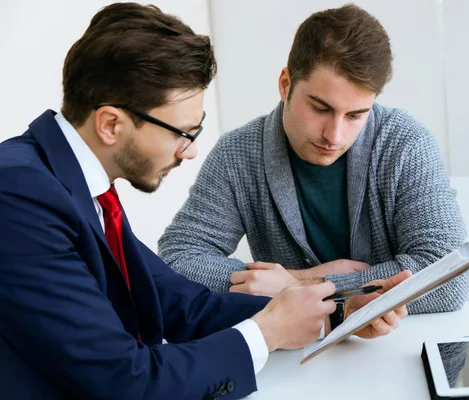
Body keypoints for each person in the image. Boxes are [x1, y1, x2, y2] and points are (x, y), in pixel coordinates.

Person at [0, 3, 410, 399]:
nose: (190, 151)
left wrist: (334, 316)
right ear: (111, 124)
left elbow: (180, 302)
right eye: (182, 132)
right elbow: (125, 380)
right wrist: (267, 332)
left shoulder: (75, 183)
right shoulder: (18, 195)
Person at [159, 4, 468, 314]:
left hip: (409, 348)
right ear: (285, 84)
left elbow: (448, 280)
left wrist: (304, 285)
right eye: (321, 109)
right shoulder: (237, 154)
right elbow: (177, 260)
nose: (334, 136)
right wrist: (303, 280)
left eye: (356, 115)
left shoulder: (406, 143)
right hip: (295, 354)